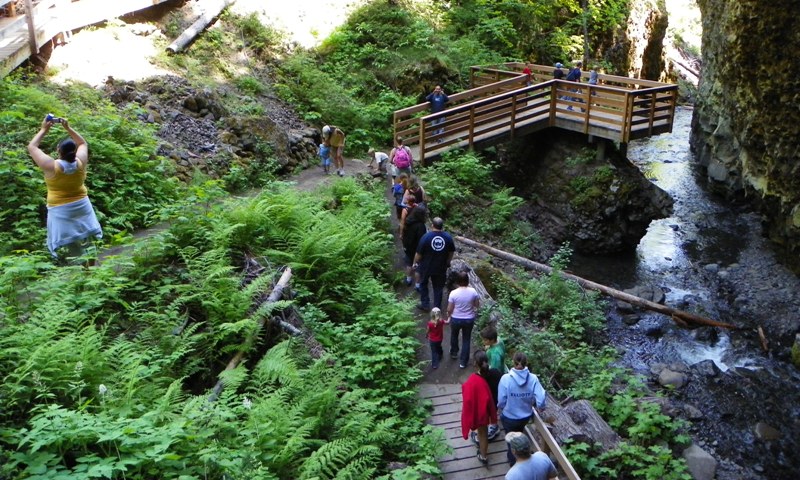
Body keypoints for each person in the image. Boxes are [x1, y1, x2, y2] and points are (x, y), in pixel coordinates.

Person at [27, 115, 102, 263]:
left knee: (69, 243)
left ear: (58, 150)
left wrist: (44, 129)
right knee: (87, 238)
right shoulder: (80, 162)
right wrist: (68, 128)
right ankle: (91, 267)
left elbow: (32, 147)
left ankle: (78, 271)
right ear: (74, 151)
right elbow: (82, 143)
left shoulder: (51, 166)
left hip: (60, 210)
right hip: (82, 205)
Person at [497, 351, 547, 466]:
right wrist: (541, 407)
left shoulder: (506, 379)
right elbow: (541, 397)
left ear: (513, 362)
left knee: (511, 439)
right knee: (520, 433)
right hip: (525, 416)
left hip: (509, 416)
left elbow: (501, 400)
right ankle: (522, 458)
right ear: (526, 363)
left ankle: (512, 460)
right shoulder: (533, 378)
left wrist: (502, 408)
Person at [461, 350, 497, 466]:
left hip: (478, 410)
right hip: (489, 409)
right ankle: (484, 455)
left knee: (481, 433)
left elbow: (467, 399)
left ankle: (482, 454)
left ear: (475, 363)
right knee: (484, 432)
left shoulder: (472, 381)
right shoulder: (496, 373)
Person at [413, 217, 455, 313]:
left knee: (423, 284)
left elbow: (419, 253)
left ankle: (425, 304)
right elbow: (451, 251)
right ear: (442, 226)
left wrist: (415, 262)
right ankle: (437, 308)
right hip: (440, 267)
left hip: (426, 266)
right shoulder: (447, 237)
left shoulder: (426, 237)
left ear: (432, 225)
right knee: (438, 287)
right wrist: (448, 261)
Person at [445, 270, 480, 369]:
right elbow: (477, 305)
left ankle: (454, 352)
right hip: (469, 319)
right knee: (466, 339)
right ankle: (463, 362)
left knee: (454, 335)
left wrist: (449, 315)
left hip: (456, 318)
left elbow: (449, 308)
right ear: (468, 281)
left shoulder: (453, 293)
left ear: (457, 281)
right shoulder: (473, 291)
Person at [481, 324, 506, 439]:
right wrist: (488, 348)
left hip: (495, 381)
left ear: (491, 340)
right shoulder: (498, 341)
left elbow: (493, 371)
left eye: (485, 340)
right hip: (501, 375)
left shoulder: (495, 354)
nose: (483, 341)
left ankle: (494, 426)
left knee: (492, 402)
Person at [401, 201, 427, 287]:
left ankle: (408, 279)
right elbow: (422, 240)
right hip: (417, 249)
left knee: (409, 263)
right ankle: (417, 285)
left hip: (408, 246)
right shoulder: (421, 226)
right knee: (417, 267)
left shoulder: (408, 220)